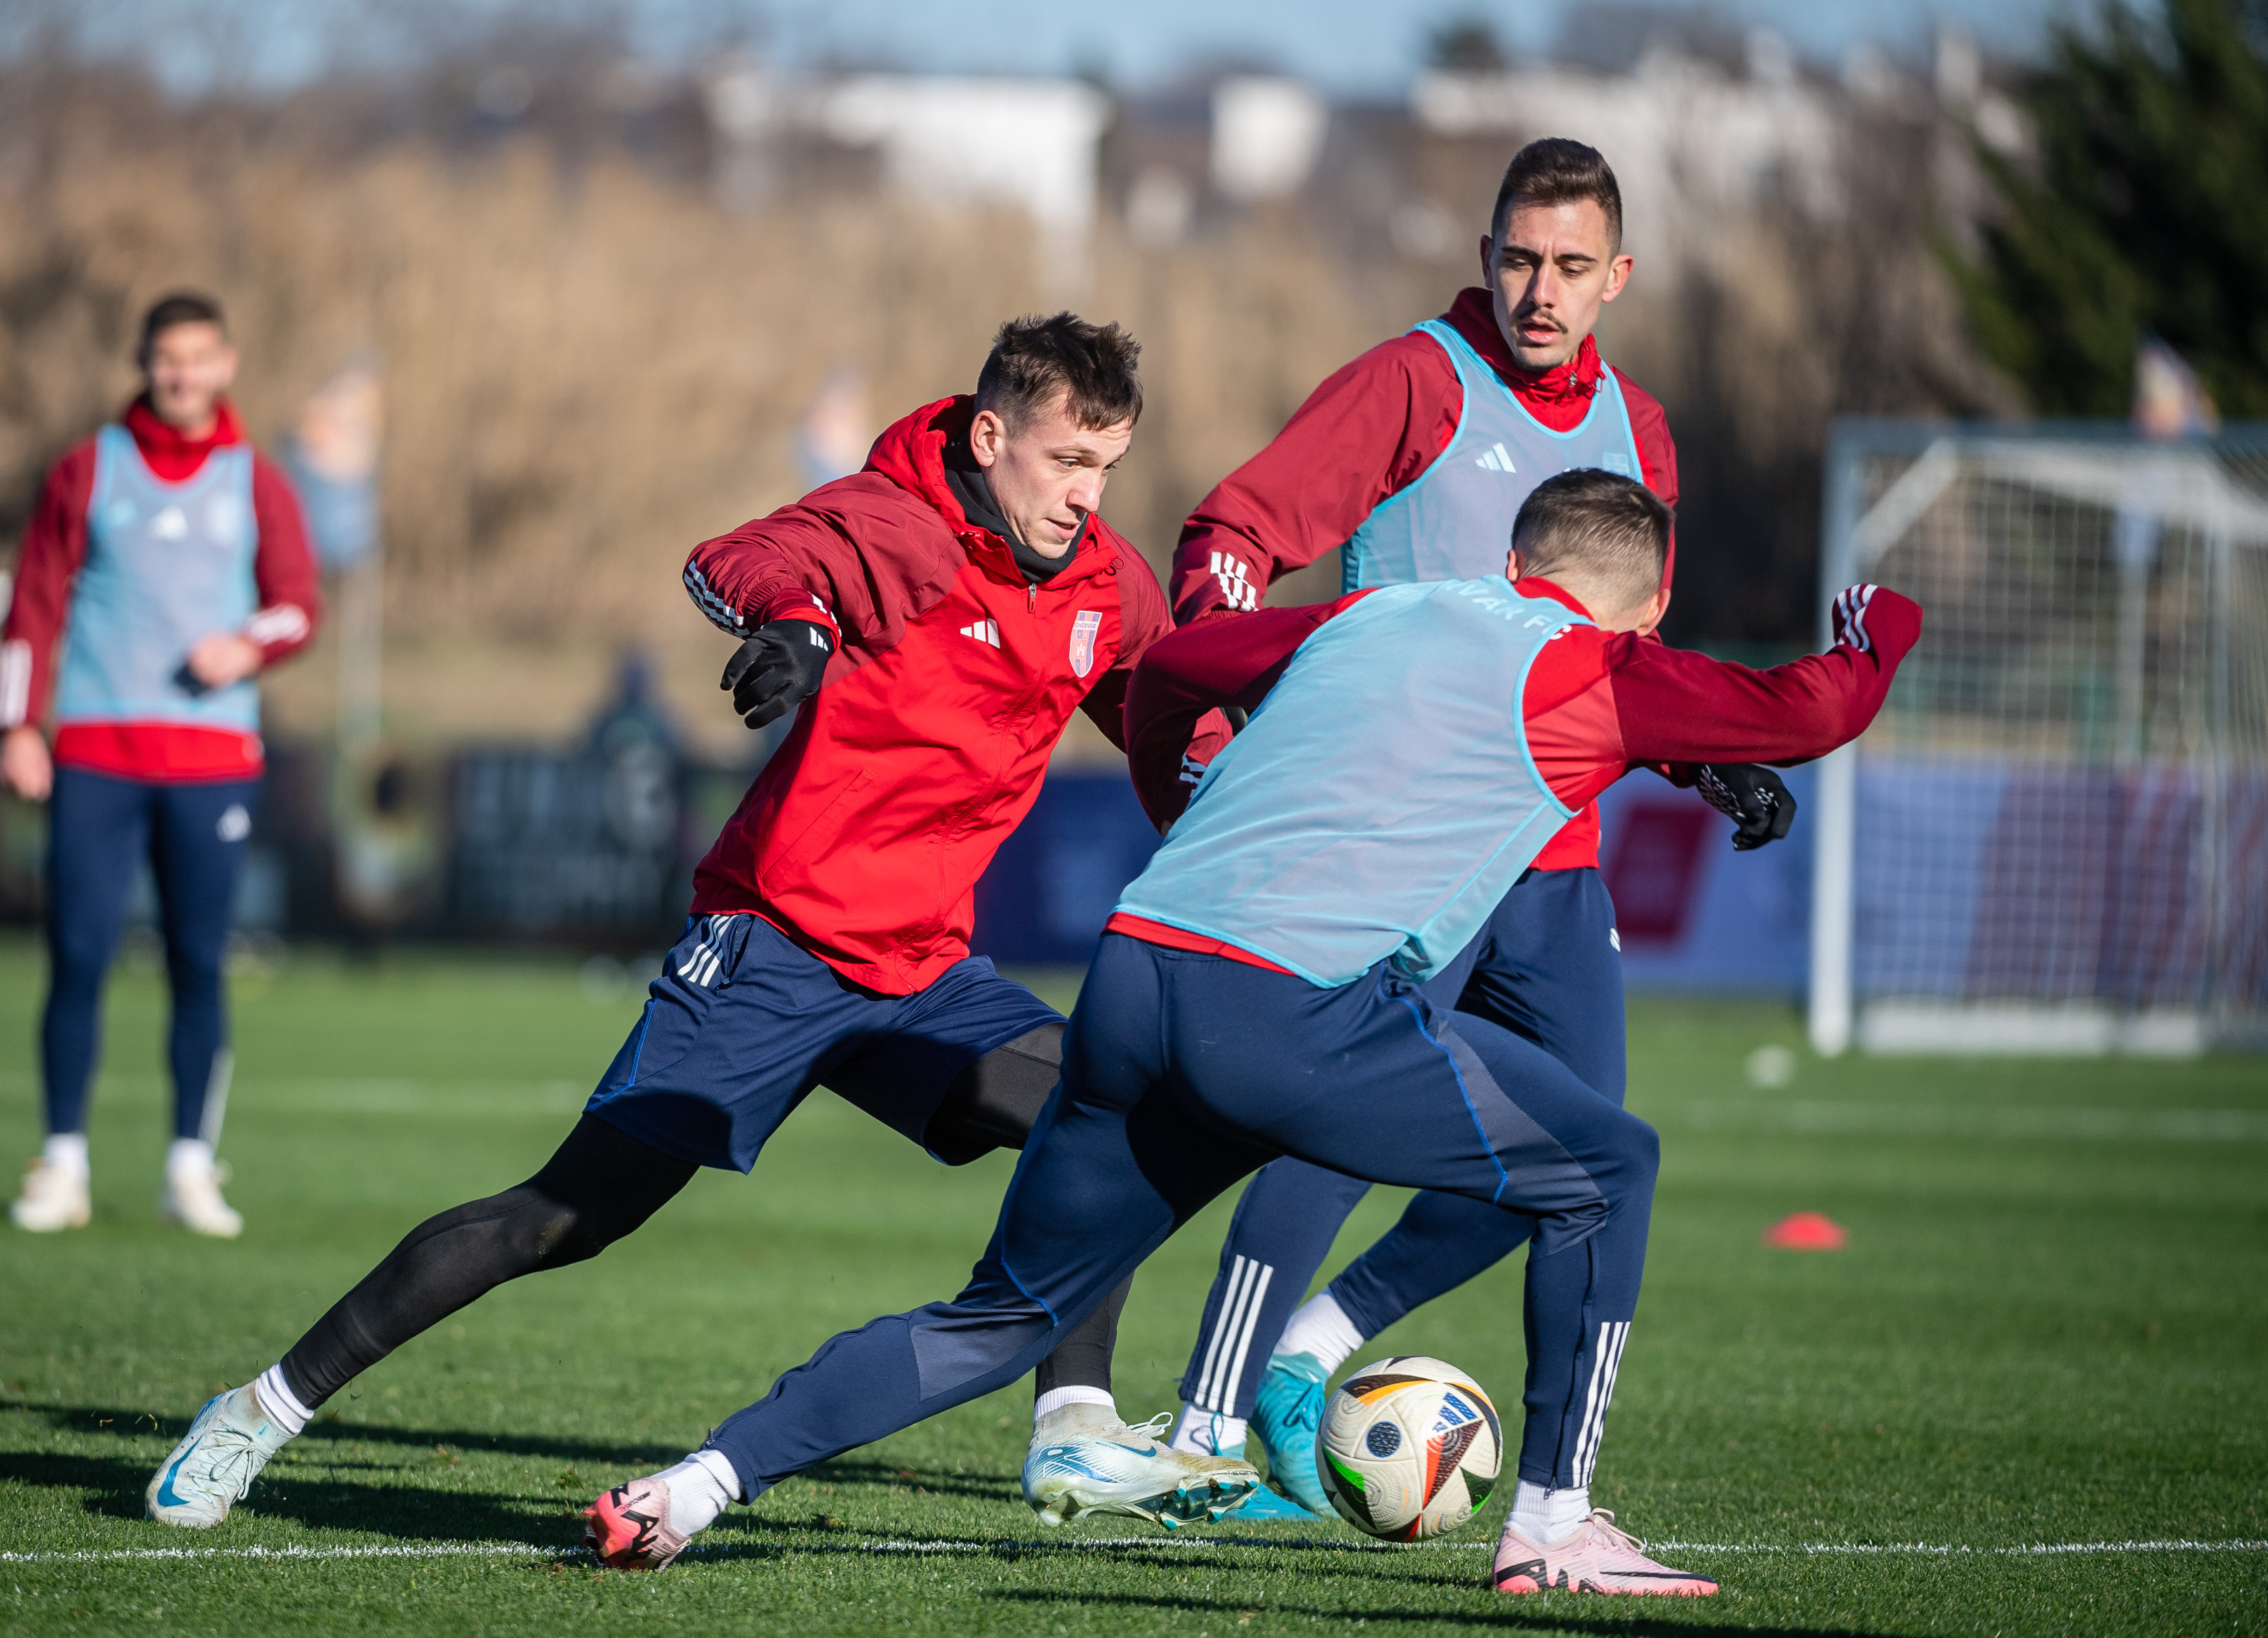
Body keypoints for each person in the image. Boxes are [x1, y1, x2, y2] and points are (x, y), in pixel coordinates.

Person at [580, 470, 1917, 1597]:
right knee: (1609, 1164)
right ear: (1653, 605)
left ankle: (694, 1486)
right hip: (1287, 1014)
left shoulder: (1373, 609)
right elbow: (1817, 710)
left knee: (1001, 1316)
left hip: (1136, 972)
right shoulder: (1602, 665)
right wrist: (1879, 625)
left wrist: (1177, 792)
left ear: (1513, 564)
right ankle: (1554, 1522)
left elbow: (1175, 665)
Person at [142, 313, 1261, 1531]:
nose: (1087, 494)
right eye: (1067, 461)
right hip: (774, 946)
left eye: (1107, 467)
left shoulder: (1106, 583)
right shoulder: (894, 524)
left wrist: (1236, 782)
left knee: (1103, 1116)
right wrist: (796, 625)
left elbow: (1167, 725)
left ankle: (1074, 1429)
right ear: (991, 438)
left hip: (921, 972)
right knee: (565, 1215)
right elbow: (735, 557)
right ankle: (261, 1406)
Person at [1155, 138, 1796, 1517]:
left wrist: (1701, 755)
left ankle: (1313, 1351)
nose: (1539, 289)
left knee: (1577, 1161)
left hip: (1552, 862)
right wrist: (1223, 693)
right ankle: (1201, 1432)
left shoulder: (1641, 429)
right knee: (1332, 1128)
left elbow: (1619, 650)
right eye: (1518, 259)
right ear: (1485, 257)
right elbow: (1234, 533)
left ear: (1618, 275)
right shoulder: (1413, 382)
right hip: (1396, 851)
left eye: (1570, 265)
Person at [0, 291, 320, 1239]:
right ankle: (61, 1162)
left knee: (198, 961)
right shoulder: (87, 469)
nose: (182, 375)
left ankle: (190, 1163)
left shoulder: (255, 480)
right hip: (97, 751)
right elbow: (33, 600)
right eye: (167, 359)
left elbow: (299, 605)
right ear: (144, 364)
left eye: (198, 358)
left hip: (211, 760)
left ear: (225, 365)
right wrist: (16, 724)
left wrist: (246, 644)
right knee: (79, 954)